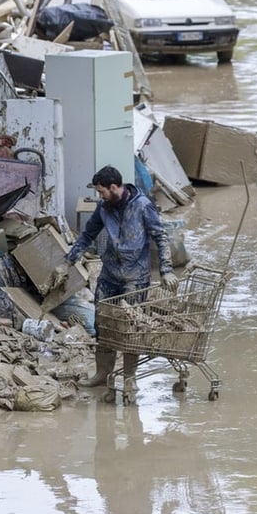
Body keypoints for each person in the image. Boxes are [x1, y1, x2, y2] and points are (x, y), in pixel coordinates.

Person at [60, 165, 178, 395]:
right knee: (102, 324)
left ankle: (129, 377)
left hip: (136, 277)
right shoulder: (104, 208)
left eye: (101, 191)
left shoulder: (143, 206)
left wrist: (166, 270)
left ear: (114, 187)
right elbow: (87, 235)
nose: (99, 196)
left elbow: (160, 236)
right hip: (109, 274)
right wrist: (67, 263)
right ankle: (103, 374)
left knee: (130, 326)